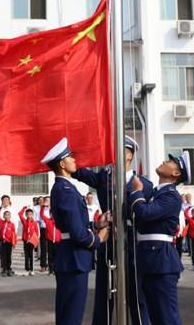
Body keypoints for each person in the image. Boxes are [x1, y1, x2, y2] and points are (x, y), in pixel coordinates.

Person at [71, 135, 152, 325]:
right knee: (105, 295)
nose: (114, 154)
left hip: (133, 243)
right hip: (108, 242)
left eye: (120, 150)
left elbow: (148, 215)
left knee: (137, 297)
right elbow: (78, 172)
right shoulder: (103, 177)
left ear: (129, 155)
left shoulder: (144, 185)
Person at [42, 137, 109, 325]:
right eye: (70, 157)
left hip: (71, 256)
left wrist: (96, 225)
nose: (74, 160)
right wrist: (98, 239)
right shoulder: (65, 190)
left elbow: (74, 223)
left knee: (69, 310)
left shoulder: (65, 188)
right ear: (62, 163)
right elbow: (77, 233)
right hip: (74, 257)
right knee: (71, 314)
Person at [128, 151, 189, 325]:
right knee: (155, 316)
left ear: (176, 174)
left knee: (166, 317)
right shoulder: (157, 192)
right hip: (149, 258)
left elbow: (145, 213)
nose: (164, 161)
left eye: (171, 162)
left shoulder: (171, 195)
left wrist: (137, 193)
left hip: (161, 261)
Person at [19, 206, 40, 276]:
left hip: (32, 241)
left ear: (32, 215)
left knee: (31, 255)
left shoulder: (35, 223)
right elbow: (19, 214)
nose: (29, 215)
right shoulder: (24, 221)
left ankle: (32, 269)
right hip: (26, 240)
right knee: (26, 255)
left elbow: (37, 232)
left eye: (30, 214)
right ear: (26, 215)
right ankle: (27, 268)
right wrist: (24, 208)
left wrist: (36, 240)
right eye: (28, 214)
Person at [0, 210, 17, 277]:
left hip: (9, 242)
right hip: (3, 242)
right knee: (3, 256)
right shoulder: (1, 222)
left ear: (10, 216)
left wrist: (14, 243)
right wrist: (0, 208)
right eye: (6, 215)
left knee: (9, 256)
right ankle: (4, 269)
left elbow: (14, 234)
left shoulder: (12, 224)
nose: (7, 216)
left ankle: (9, 268)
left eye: (8, 215)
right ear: (3, 216)